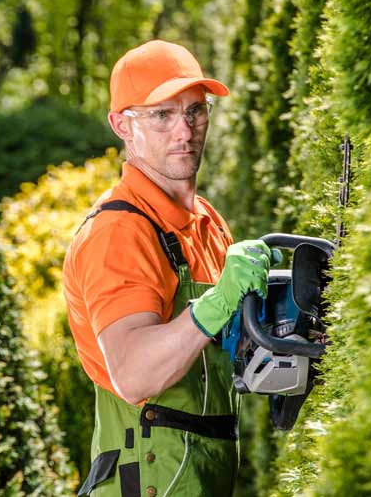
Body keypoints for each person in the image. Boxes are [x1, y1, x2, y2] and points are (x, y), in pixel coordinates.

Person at [62, 40, 274, 497]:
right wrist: (217, 303)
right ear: (122, 125)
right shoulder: (119, 231)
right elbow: (134, 372)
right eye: (162, 115)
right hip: (146, 478)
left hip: (204, 473)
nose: (185, 130)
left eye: (196, 110)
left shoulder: (207, 222)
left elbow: (226, 358)